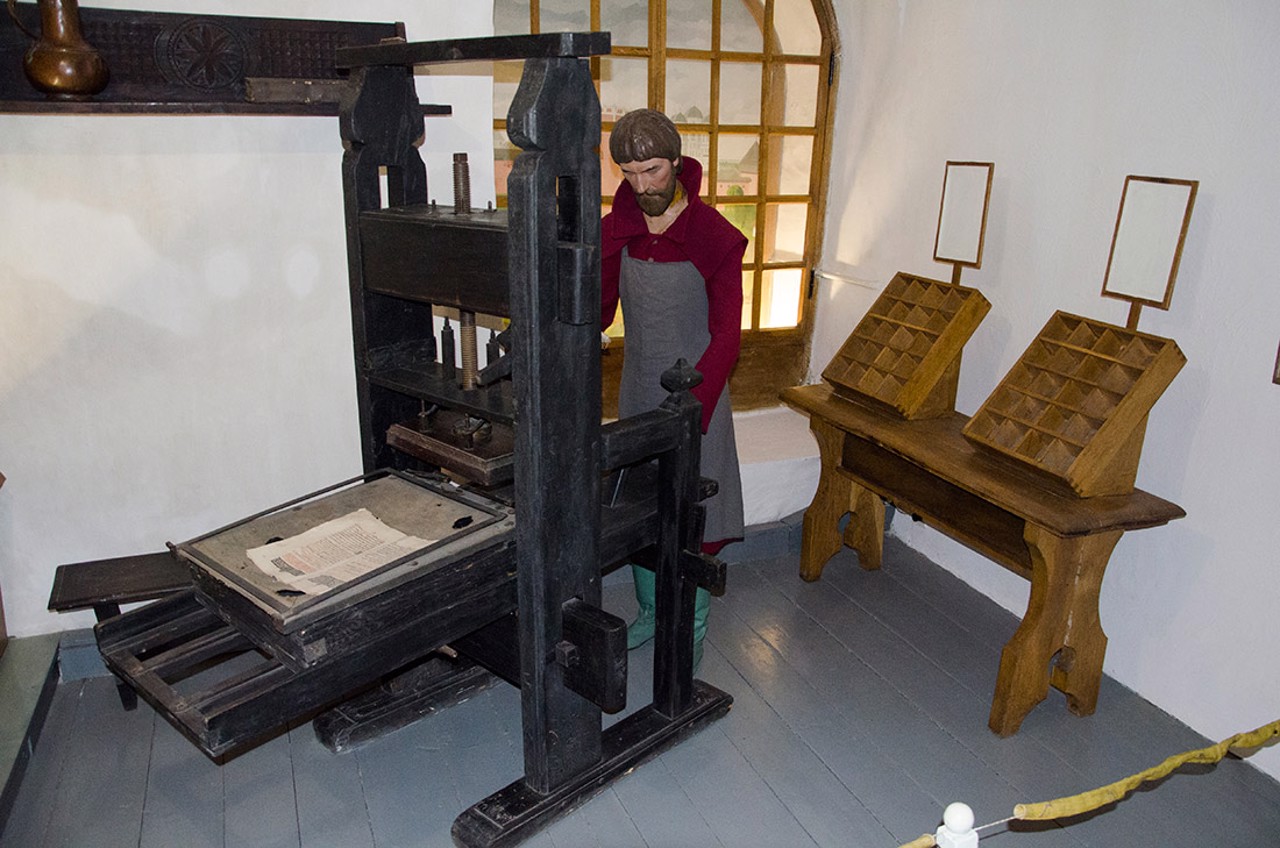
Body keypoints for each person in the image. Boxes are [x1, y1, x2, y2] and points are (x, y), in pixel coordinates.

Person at [601, 109, 747, 668]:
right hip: (639, 392)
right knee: (640, 506)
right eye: (629, 172)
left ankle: (690, 625)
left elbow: (728, 335)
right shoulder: (621, 222)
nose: (641, 186)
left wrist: (693, 408)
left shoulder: (712, 235)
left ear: (678, 163)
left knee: (692, 512)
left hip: (698, 399)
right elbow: (601, 307)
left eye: (654, 171)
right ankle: (649, 614)